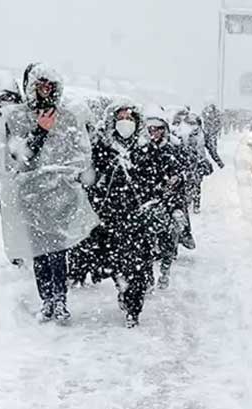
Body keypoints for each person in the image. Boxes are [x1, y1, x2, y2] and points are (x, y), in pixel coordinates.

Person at [0, 63, 97, 323]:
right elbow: (18, 159)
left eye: (50, 85)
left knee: (58, 249)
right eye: (41, 85)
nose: (46, 90)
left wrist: (70, 177)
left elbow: (80, 154)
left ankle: (60, 300)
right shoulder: (17, 118)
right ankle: (47, 300)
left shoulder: (68, 118)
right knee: (39, 250)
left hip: (61, 195)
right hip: (31, 196)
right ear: (31, 87)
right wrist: (40, 131)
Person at [89, 100, 157, 327]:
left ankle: (133, 307)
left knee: (138, 266)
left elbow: (153, 181)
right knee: (116, 263)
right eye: (121, 118)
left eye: (129, 118)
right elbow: (92, 180)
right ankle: (122, 287)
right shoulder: (102, 148)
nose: (125, 122)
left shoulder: (145, 149)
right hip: (110, 218)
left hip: (138, 219)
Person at [143, 107, 190, 289]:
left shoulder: (173, 149)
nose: (154, 132)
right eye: (151, 129)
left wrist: (177, 179)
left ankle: (164, 270)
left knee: (168, 238)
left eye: (158, 129)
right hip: (147, 201)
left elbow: (184, 170)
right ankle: (147, 276)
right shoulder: (141, 150)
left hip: (169, 200)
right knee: (144, 242)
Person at [201, 103, 225, 171]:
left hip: (211, 134)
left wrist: (215, 131)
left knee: (213, 150)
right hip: (207, 134)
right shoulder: (205, 115)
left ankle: (220, 164)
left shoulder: (216, 115)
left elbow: (219, 124)